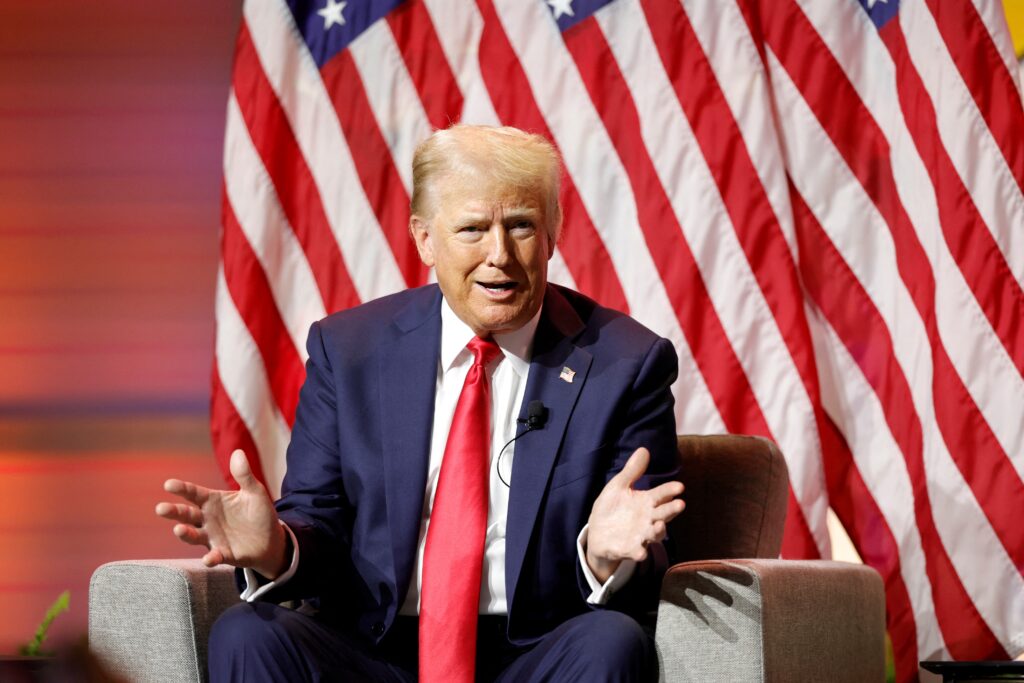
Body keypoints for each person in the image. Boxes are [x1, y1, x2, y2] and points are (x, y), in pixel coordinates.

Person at [156, 125, 685, 682]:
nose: (498, 255)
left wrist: (602, 556)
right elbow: (318, 521)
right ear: (425, 239)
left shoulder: (626, 363)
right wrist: (276, 549)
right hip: (375, 649)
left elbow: (651, 545)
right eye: (473, 229)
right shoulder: (349, 351)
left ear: (553, 233)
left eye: (522, 226)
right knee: (248, 631)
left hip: (535, 650)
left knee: (611, 642)